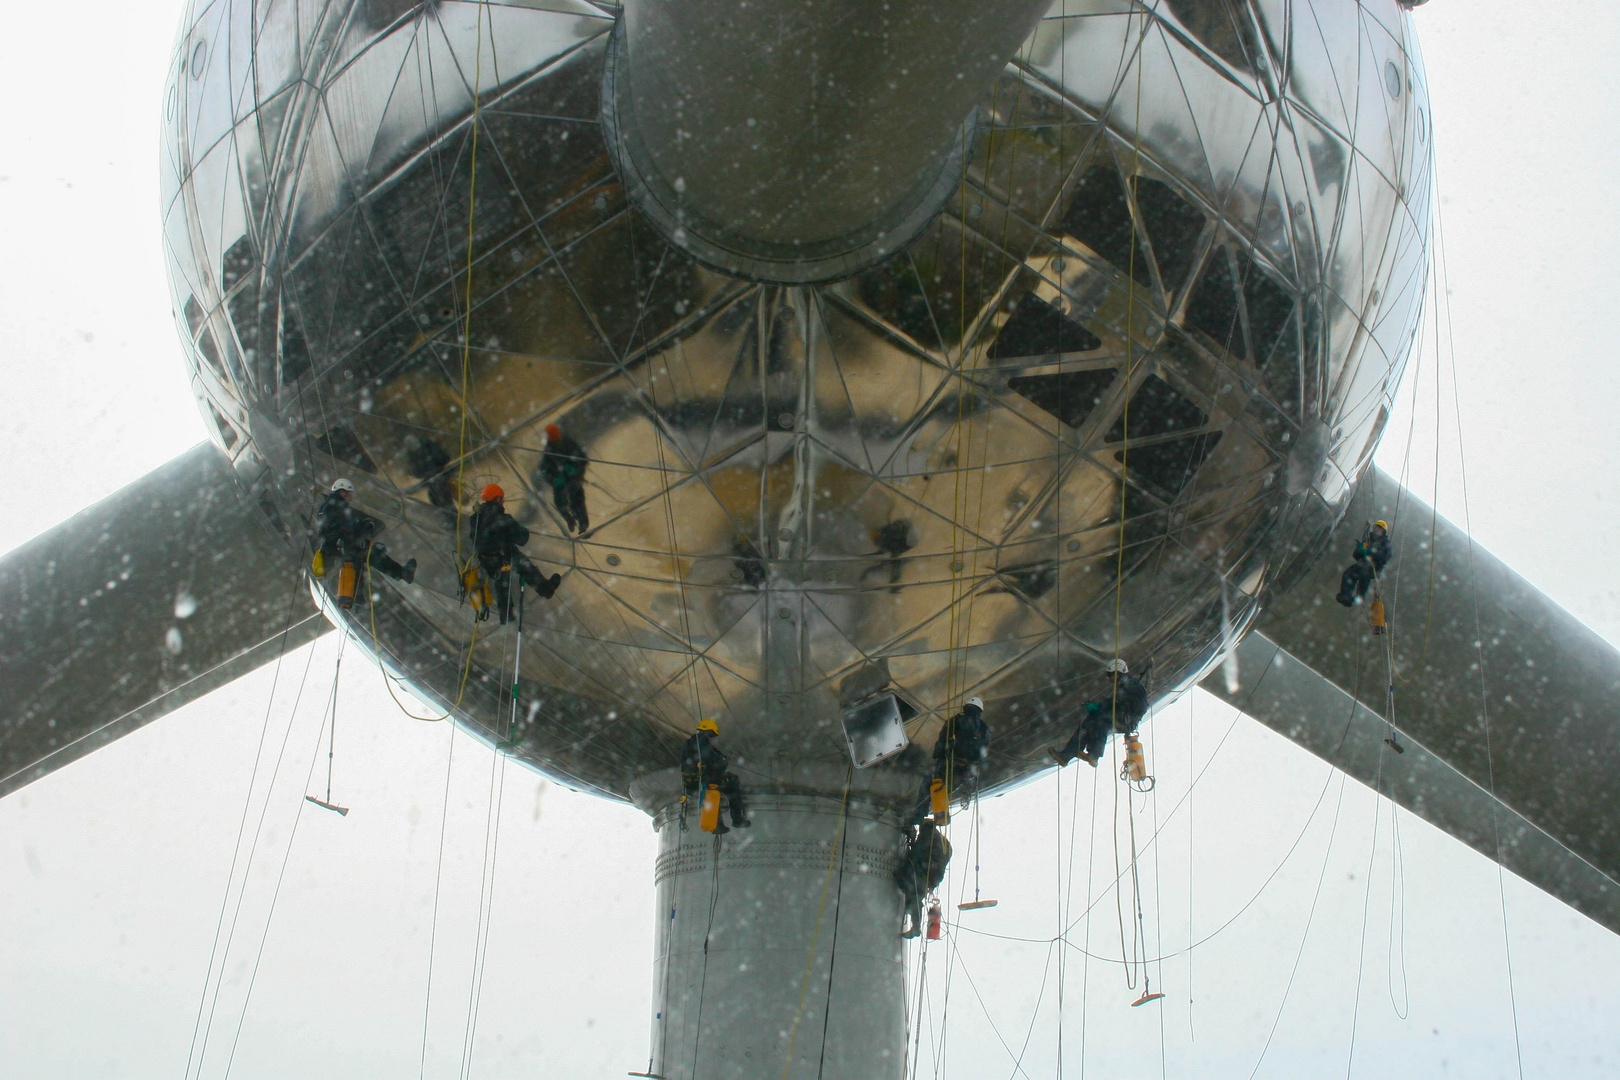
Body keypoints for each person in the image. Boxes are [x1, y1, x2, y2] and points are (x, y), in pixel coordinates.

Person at [313, 479, 416, 606]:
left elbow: (330, 529)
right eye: (350, 494)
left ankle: (358, 598)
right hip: (345, 545)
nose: (351, 497)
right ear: (343, 492)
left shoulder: (325, 507)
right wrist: (366, 526)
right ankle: (403, 574)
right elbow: (347, 528)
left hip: (338, 547)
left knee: (358, 565)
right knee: (373, 555)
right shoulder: (338, 506)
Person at [468, 484, 561, 623]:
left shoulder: (474, 518)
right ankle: (546, 589)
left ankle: (505, 614)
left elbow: (474, 538)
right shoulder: (503, 519)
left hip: (486, 560)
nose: (503, 502)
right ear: (498, 499)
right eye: (502, 499)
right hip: (504, 557)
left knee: (502, 582)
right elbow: (522, 539)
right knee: (526, 567)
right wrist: (520, 529)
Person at [1049, 658, 1148, 767]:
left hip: (1127, 719)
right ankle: (1068, 754)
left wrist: (1099, 706)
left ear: (1118, 672)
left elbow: (1119, 701)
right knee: (1090, 720)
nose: (1109, 678)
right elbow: (1118, 701)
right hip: (1124, 717)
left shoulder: (1130, 684)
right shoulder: (1127, 685)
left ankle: (1094, 754)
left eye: (1110, 674)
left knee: (1101, 721)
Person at [911, 696, 991, 825]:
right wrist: (971, 770)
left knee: (930, 783)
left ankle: (920, 816)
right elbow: (983, 753)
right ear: (980, 710)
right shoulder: (984, 729)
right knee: (943, 788)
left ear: (966, 706)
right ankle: (941, 816)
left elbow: (944, 736)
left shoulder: (958, 718)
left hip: (951, 763)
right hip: (965, 770)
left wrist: (939, 754)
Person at [679, 718, 750, 833]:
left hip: (690, 784)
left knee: (713, 791)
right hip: (704, 781)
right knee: (732, 783)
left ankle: (718, 825)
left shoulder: (689, 743)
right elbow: (715, 763)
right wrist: (723, 761)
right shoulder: (703, 744)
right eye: (713, 736)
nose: (713, 740)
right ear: (709, 733)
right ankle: (738, 819)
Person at [895, 821, 952, 938]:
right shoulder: (942, 841)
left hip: (923, 872)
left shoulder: (927, 836)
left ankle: (915, 927)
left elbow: (917, 852)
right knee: (915, 896)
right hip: (932, 876)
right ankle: (914, 923)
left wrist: (911, 837)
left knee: (912, 893)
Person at [539, 423, 590, 535]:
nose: (557, 442)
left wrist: (576, 470)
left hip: (573, 478)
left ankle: (583, 524)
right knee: (560, 503)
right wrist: (554, 480)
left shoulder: (568, 443)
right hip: (560, 482)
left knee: (577, 499)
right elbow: (543, 470)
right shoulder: (549, 451)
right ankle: (570, 521)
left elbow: (582, 457)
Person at [1336, 520, 1392, 607]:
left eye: (1377, 528)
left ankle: (1360, 597)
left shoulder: (1384, 543)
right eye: (1374, 528)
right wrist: (1359, 550)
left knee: (1364, 574)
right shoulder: (1368, 540)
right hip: (1363, 564)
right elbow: (1356, 556)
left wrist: (1368, 552)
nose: (1375, 530)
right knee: (1348, 573)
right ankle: (1346, 596)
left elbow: (1384, 556)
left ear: (1382, 531)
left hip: (1374, 568)